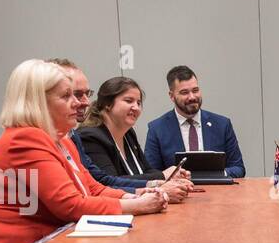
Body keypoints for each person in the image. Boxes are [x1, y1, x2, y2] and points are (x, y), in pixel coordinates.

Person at [0, 60, 165, 243]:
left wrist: (134, 196)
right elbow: (70, 206)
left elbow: (92, 188)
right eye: (66, 96)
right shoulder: (25, 139)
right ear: (39, 101)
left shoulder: (62, 140)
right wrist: (138, 206)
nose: (78, 103)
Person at [47, 59, 190, 200]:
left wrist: (161, 182)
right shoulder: (88, 136)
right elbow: (103, 184)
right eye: (129, 101)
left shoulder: (126, 133)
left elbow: (98, 185)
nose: (85, 102)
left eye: (139, 103)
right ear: (108, 104)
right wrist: (157, 184)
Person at [144, 65, 245, 176]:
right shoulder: (157, 129)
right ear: (172, 96)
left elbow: (239, 168)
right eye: (184, 92)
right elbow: (151, 174)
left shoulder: (222, 125)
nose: (192, 97)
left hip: (218, 190)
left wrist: (217, 174)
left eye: (195, 90)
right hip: (177, 191)